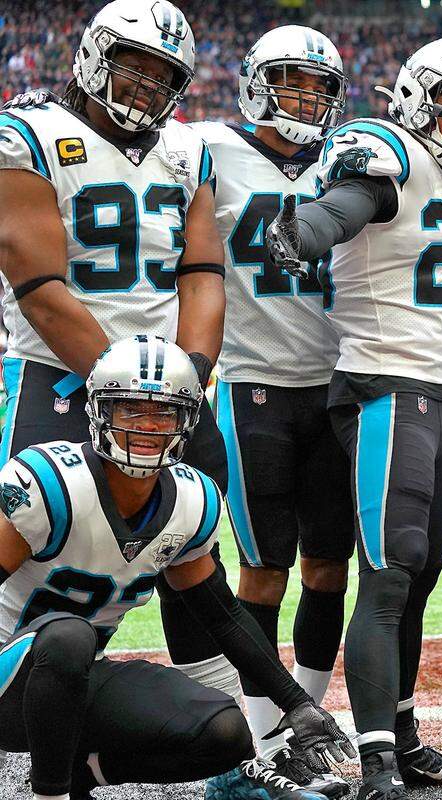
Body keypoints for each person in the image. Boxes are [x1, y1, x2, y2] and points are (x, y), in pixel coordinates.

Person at [263, 36, 442, 800]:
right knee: (387, 577)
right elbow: (348, 206)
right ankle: (378, 758)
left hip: (430, 394)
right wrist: (305, 231)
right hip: (383, 387)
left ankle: (405, 740)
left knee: (415, 580)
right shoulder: (388, 148)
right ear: (416, 97)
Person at [0, 0, 240, 706]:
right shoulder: (29, 134)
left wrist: (187, 379)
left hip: (170, 393)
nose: (144, 86)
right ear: (93, 57)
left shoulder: (188, 150)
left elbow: (201, 273)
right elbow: (38, 285)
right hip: (62, 381)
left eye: (162, 75)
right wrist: (131, 385)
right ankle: (32, 720)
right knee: (37, 549)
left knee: (192, 556)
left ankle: (230, 762)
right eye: (132, 66)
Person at [0, 336, 355, 800]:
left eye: (164, 412)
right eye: (131, 409)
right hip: (9, 678)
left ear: (187, 421)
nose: (148, 425)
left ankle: (83, 772)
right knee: (69, 635)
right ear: (100, 413)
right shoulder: (49, 483)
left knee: (224, 733)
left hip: (75, 677)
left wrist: (297, 704)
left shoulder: (191, 500)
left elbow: (222, 617)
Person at [190, 25, 354, 798]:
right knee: (264, 572)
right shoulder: (207, 148)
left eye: (320, 87)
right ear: (257, 81)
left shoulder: (347, 156)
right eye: (292, 81)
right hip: (254, 383)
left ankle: (312, 725)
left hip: (336, 387)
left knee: (329, 567)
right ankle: (263, 738)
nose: (306, 99)